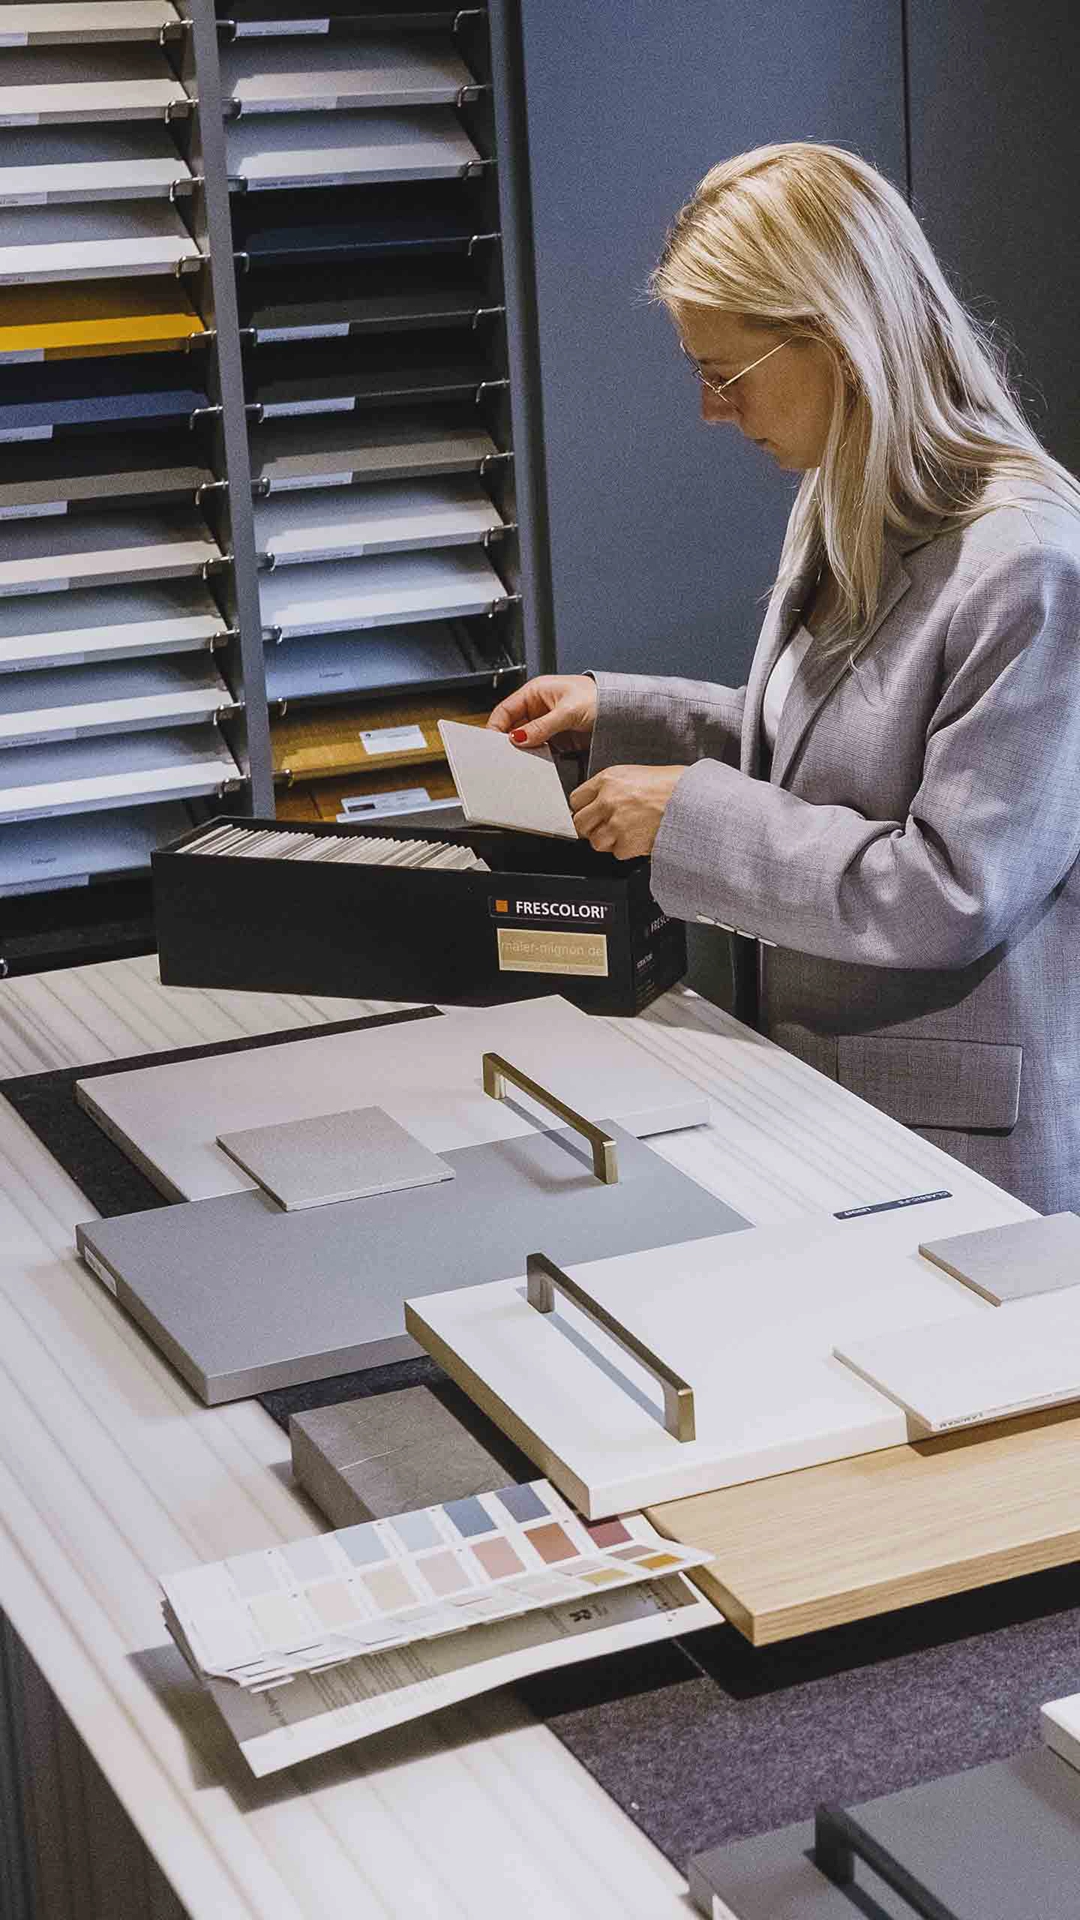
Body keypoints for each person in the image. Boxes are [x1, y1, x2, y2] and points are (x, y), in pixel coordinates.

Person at [488, 141, 1080, 1215]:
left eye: (726, 374)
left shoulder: (1031, 565)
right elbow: (831, 765)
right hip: (810, 1093)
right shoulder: (840, 491)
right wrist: (621, 718)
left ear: (837, 342)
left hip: (955, 1154)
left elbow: (950, 891)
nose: (713, 412)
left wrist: (688, 819)